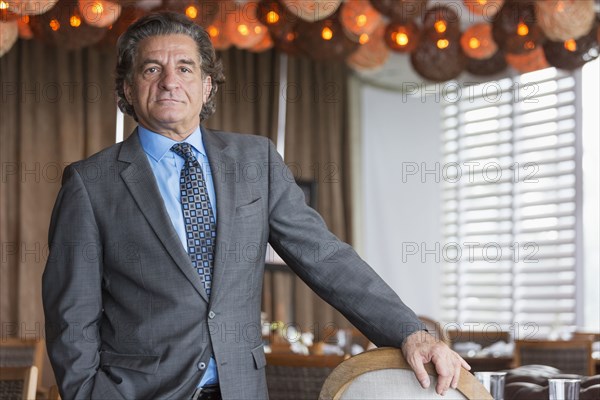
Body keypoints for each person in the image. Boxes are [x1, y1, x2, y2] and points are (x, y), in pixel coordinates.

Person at [42, 11, 469, 400]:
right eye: (152, 69)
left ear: (206, 85)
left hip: (240, 390)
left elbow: (325, 256)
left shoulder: (255, 161)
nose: (170, 81)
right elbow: (70, 316)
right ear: (128, 87)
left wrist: (411, 331)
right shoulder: (90, 183)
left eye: (185, 68)